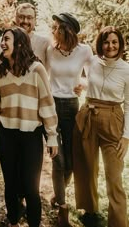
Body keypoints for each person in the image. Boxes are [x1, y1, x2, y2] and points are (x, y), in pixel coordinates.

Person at [0, 26, 58, 227]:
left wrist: (51, 136)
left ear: (19, 43)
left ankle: (35, 223)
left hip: (31, 136)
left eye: (6, 39)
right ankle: (13, 220)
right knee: (10, 184)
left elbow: (47, 104)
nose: (2, 43)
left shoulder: (37, 69)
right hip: (6, 135)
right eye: (2, 39)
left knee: (30, 188)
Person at [73, 26, 129, 227]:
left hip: (113, 120)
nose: (110, 46)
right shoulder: (93, 61)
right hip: (89, 115)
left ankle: (118, 222)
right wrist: (82, 85)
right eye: (106, 42)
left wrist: (126, 136)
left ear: (120, 44)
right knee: (88, 167)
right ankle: (90, 211)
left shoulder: (126, 69)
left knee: (114, 175)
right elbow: (92, 81)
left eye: (114, 42)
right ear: (101, 44)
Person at [48, 12, 93, 227]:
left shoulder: (84, 51)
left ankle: (58, 194)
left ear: (67, 30)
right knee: (58, 158)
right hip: (51, 106)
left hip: (72, 108)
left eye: (57, 27)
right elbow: (42, 75)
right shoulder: (50, 50)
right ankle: (63, 209)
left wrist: (82, 84)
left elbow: (94, 77)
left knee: (72, 163)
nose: (53, 31)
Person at [0, 3, 51, 73]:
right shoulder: (1, 42)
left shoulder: (45, 43)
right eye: (21, 17)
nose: (25, 21)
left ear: (35, 20)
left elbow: (48, 72)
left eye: (29, 18)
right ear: (15, 18)